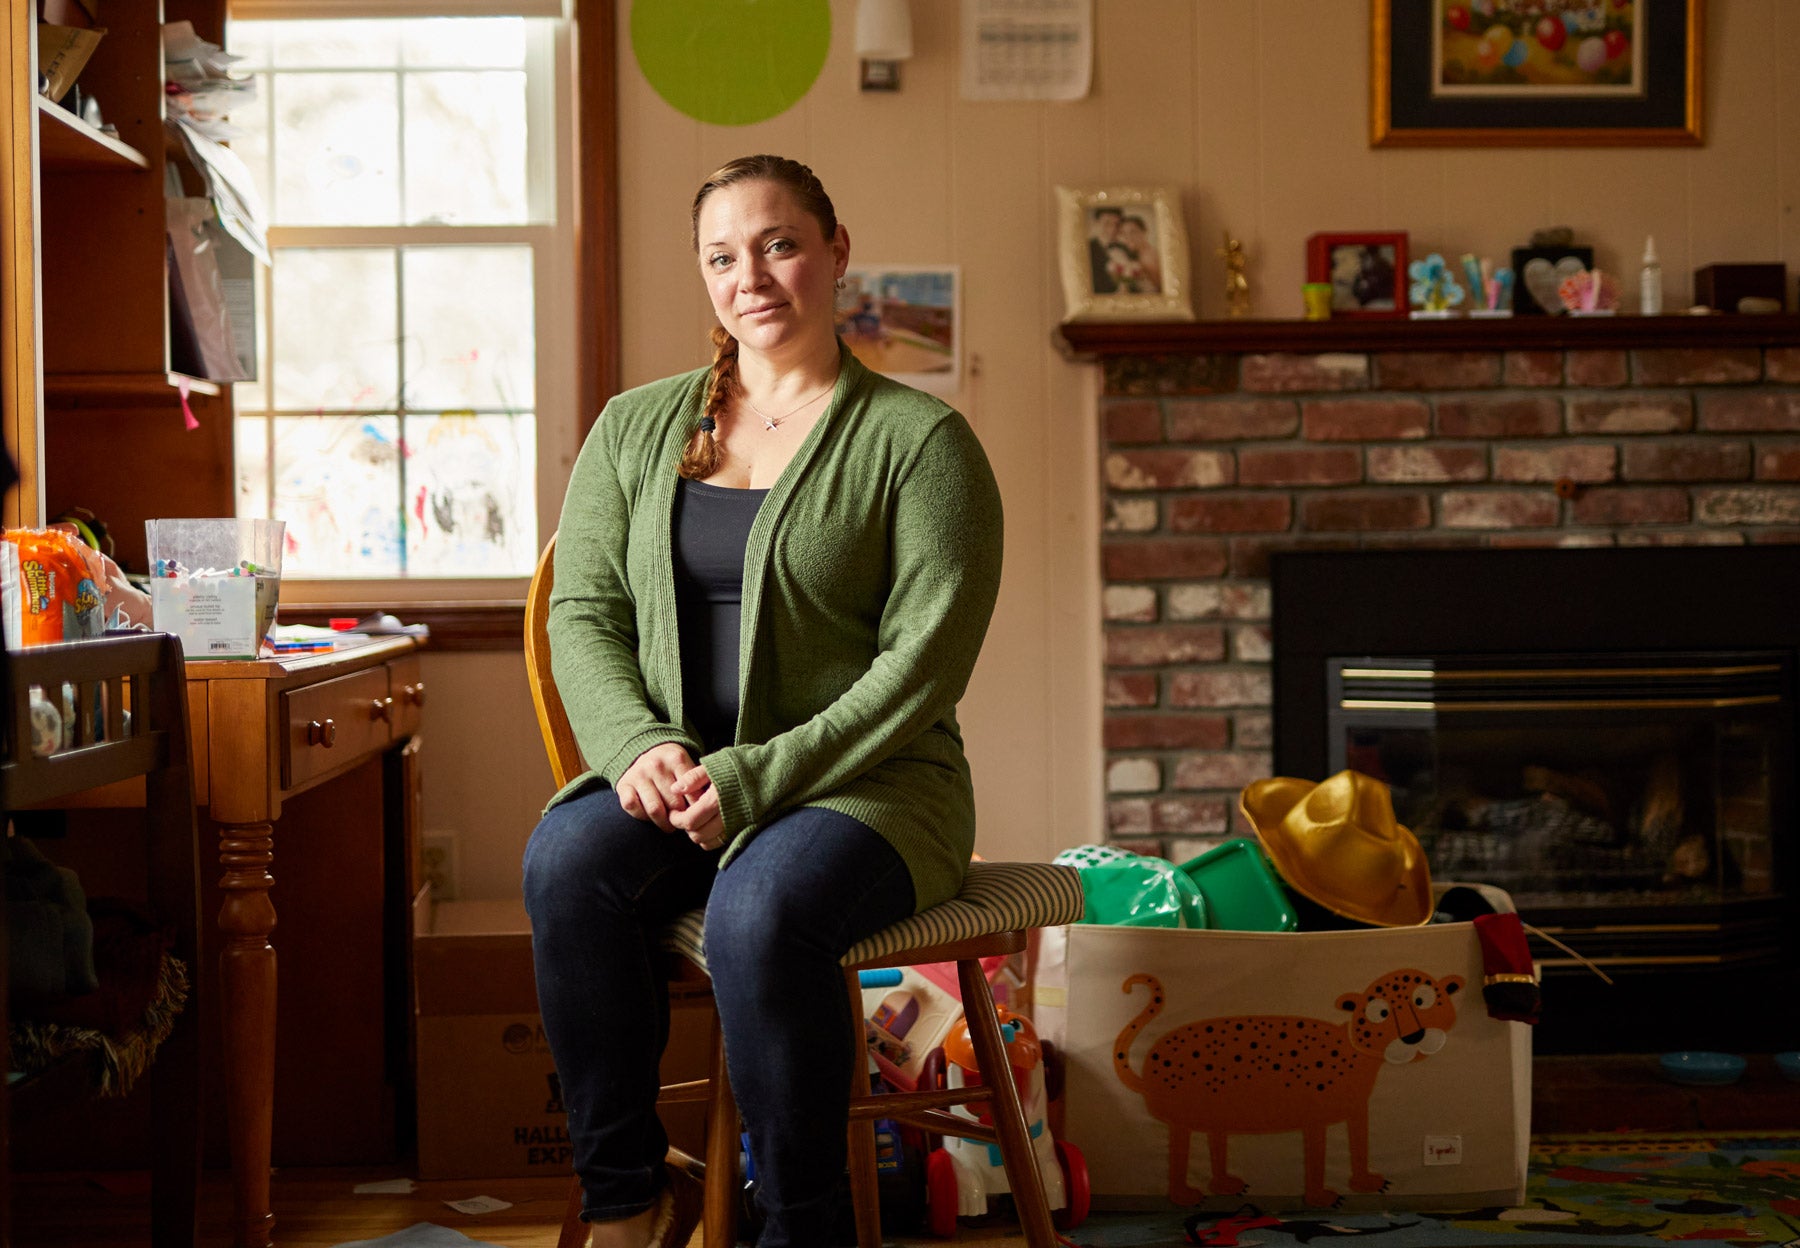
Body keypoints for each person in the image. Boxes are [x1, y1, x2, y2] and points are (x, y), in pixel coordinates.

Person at [521, 154, 1005, 1248]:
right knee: (564, 863)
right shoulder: (632, 429)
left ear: (836, 251)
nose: (754, 276)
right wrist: (638, 745)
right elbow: (583, 617)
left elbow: (922, 669)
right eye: (723, 255)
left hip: (872, 794)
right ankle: (630, 1197)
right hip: (684, 782)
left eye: (781, 244)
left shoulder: (922, 445)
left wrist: (752, 780)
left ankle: (800, 1225)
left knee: (762, 913)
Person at [1087, 205, 1123, 294]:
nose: (1113, 229)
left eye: (1117, 224)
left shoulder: (1124, 248)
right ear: (1096, 223)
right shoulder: (1087, 249)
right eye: (1107, 223)